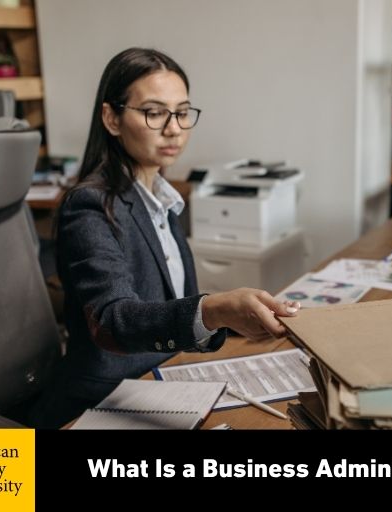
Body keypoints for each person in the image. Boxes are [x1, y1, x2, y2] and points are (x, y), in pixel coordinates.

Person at [31, 48, 300, 428]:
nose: (174, 128)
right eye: (154, 112)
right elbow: (113, 320)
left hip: (165, 380)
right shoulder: (89, 205)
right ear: (112, 118)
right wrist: (213, 309)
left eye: (182, 112)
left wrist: (230, 320)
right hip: (101, 398)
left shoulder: (160, 197)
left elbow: (166, 306)